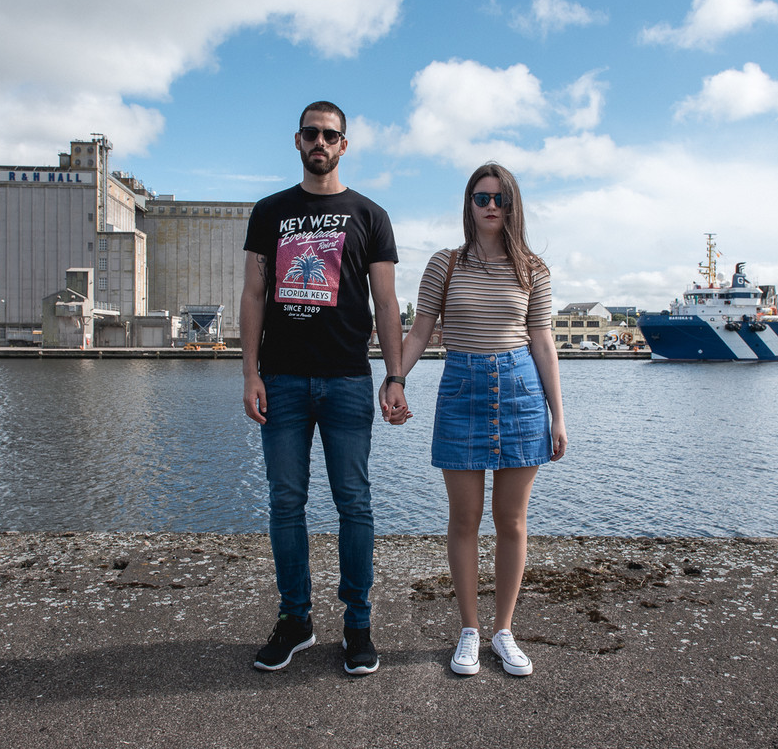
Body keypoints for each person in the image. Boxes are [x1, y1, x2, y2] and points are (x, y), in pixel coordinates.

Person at [241, 101, 408, 675]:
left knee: (354, 502)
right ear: (297, 140)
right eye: (311, 133)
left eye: (330, 134)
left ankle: (357, 625)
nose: (320, 142)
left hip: (347, 380)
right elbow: (254, 295)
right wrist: (249, 372)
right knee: (285, 501)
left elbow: (386, 302)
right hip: (281, 379)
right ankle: (296, 620)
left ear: (344, 144)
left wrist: (394, 376)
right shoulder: (270, 212)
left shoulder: (370, 215)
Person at [394, 162, 566, 677]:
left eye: (501, 198)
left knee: (511, 521)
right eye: (482, 197)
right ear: (468, 204)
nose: (492, 206)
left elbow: (543, 343)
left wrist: (558, 415)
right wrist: (395, 378)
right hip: (462, 389)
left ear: (513, 206)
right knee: (464, 519)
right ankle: (469, 630)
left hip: (521, 393)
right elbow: (420, 330)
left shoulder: (533, 269)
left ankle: (504, 631)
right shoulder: (444, 264)